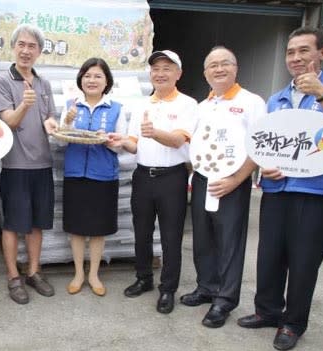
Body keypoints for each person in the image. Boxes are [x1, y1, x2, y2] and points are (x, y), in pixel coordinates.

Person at [237, 27, 323, 351]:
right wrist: (263, 166)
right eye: (290, 52)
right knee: (269, 256)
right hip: (276, 188)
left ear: (322, 54)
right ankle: (267, 311)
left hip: (314, 194)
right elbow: (267, 143)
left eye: (303, 51)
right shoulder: (277, 98)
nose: (296, 58)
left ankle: (293, 322)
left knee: (303, 261)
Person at [181, 46, 266, 328]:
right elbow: (194, 143)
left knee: (230, 242)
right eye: (212, 66)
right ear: (205, 73)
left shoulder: (252, 102)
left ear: (235, 67)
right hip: (203, 179)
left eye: (224, 64)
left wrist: (236, 180)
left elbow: (260, 146)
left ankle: (225, 300)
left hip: (233, 182)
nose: (219, 69)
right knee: (202, 238)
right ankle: (206, 287)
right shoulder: (203, 106)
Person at [117, 50, 197, 313]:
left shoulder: (188, 104)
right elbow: (133, 144)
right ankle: (144, 278)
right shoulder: (141, 105)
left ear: (178, 74)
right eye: (155, 69)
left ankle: (168, 289)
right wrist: (117, 142)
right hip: (142, 176)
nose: (160, 73)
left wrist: (155, 133)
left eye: (166, 68)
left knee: (171, 237)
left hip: (172, 177)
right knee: (141, 232)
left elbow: (178, 140)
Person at [0, 24, 59, 304]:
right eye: (22, 44)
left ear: (40, 52)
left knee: (36, 224)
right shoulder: (2, 81)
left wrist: (57, 125)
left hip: (42, 165)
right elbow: (9, 121)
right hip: (14, 167)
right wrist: (25, 105)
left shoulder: (44, 83)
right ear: (14, 47)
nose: (26, 50)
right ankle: (13, 277)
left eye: (32, 46)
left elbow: (50, 119)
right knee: (11, 226)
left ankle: (33, 272)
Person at [59, 57, 125, 296]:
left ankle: (94, 274)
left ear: (107, 81)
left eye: (97, 76)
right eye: (87, 75)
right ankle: (78, 274)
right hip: (76, 173)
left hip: (104, 175)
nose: (92, 80)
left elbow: (122, 145)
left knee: (98, 229)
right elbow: (61, 136)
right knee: (76, 228)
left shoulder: (116, 108)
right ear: (80, 79)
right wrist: (66, 121)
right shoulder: (71, 105)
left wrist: (107, 140)